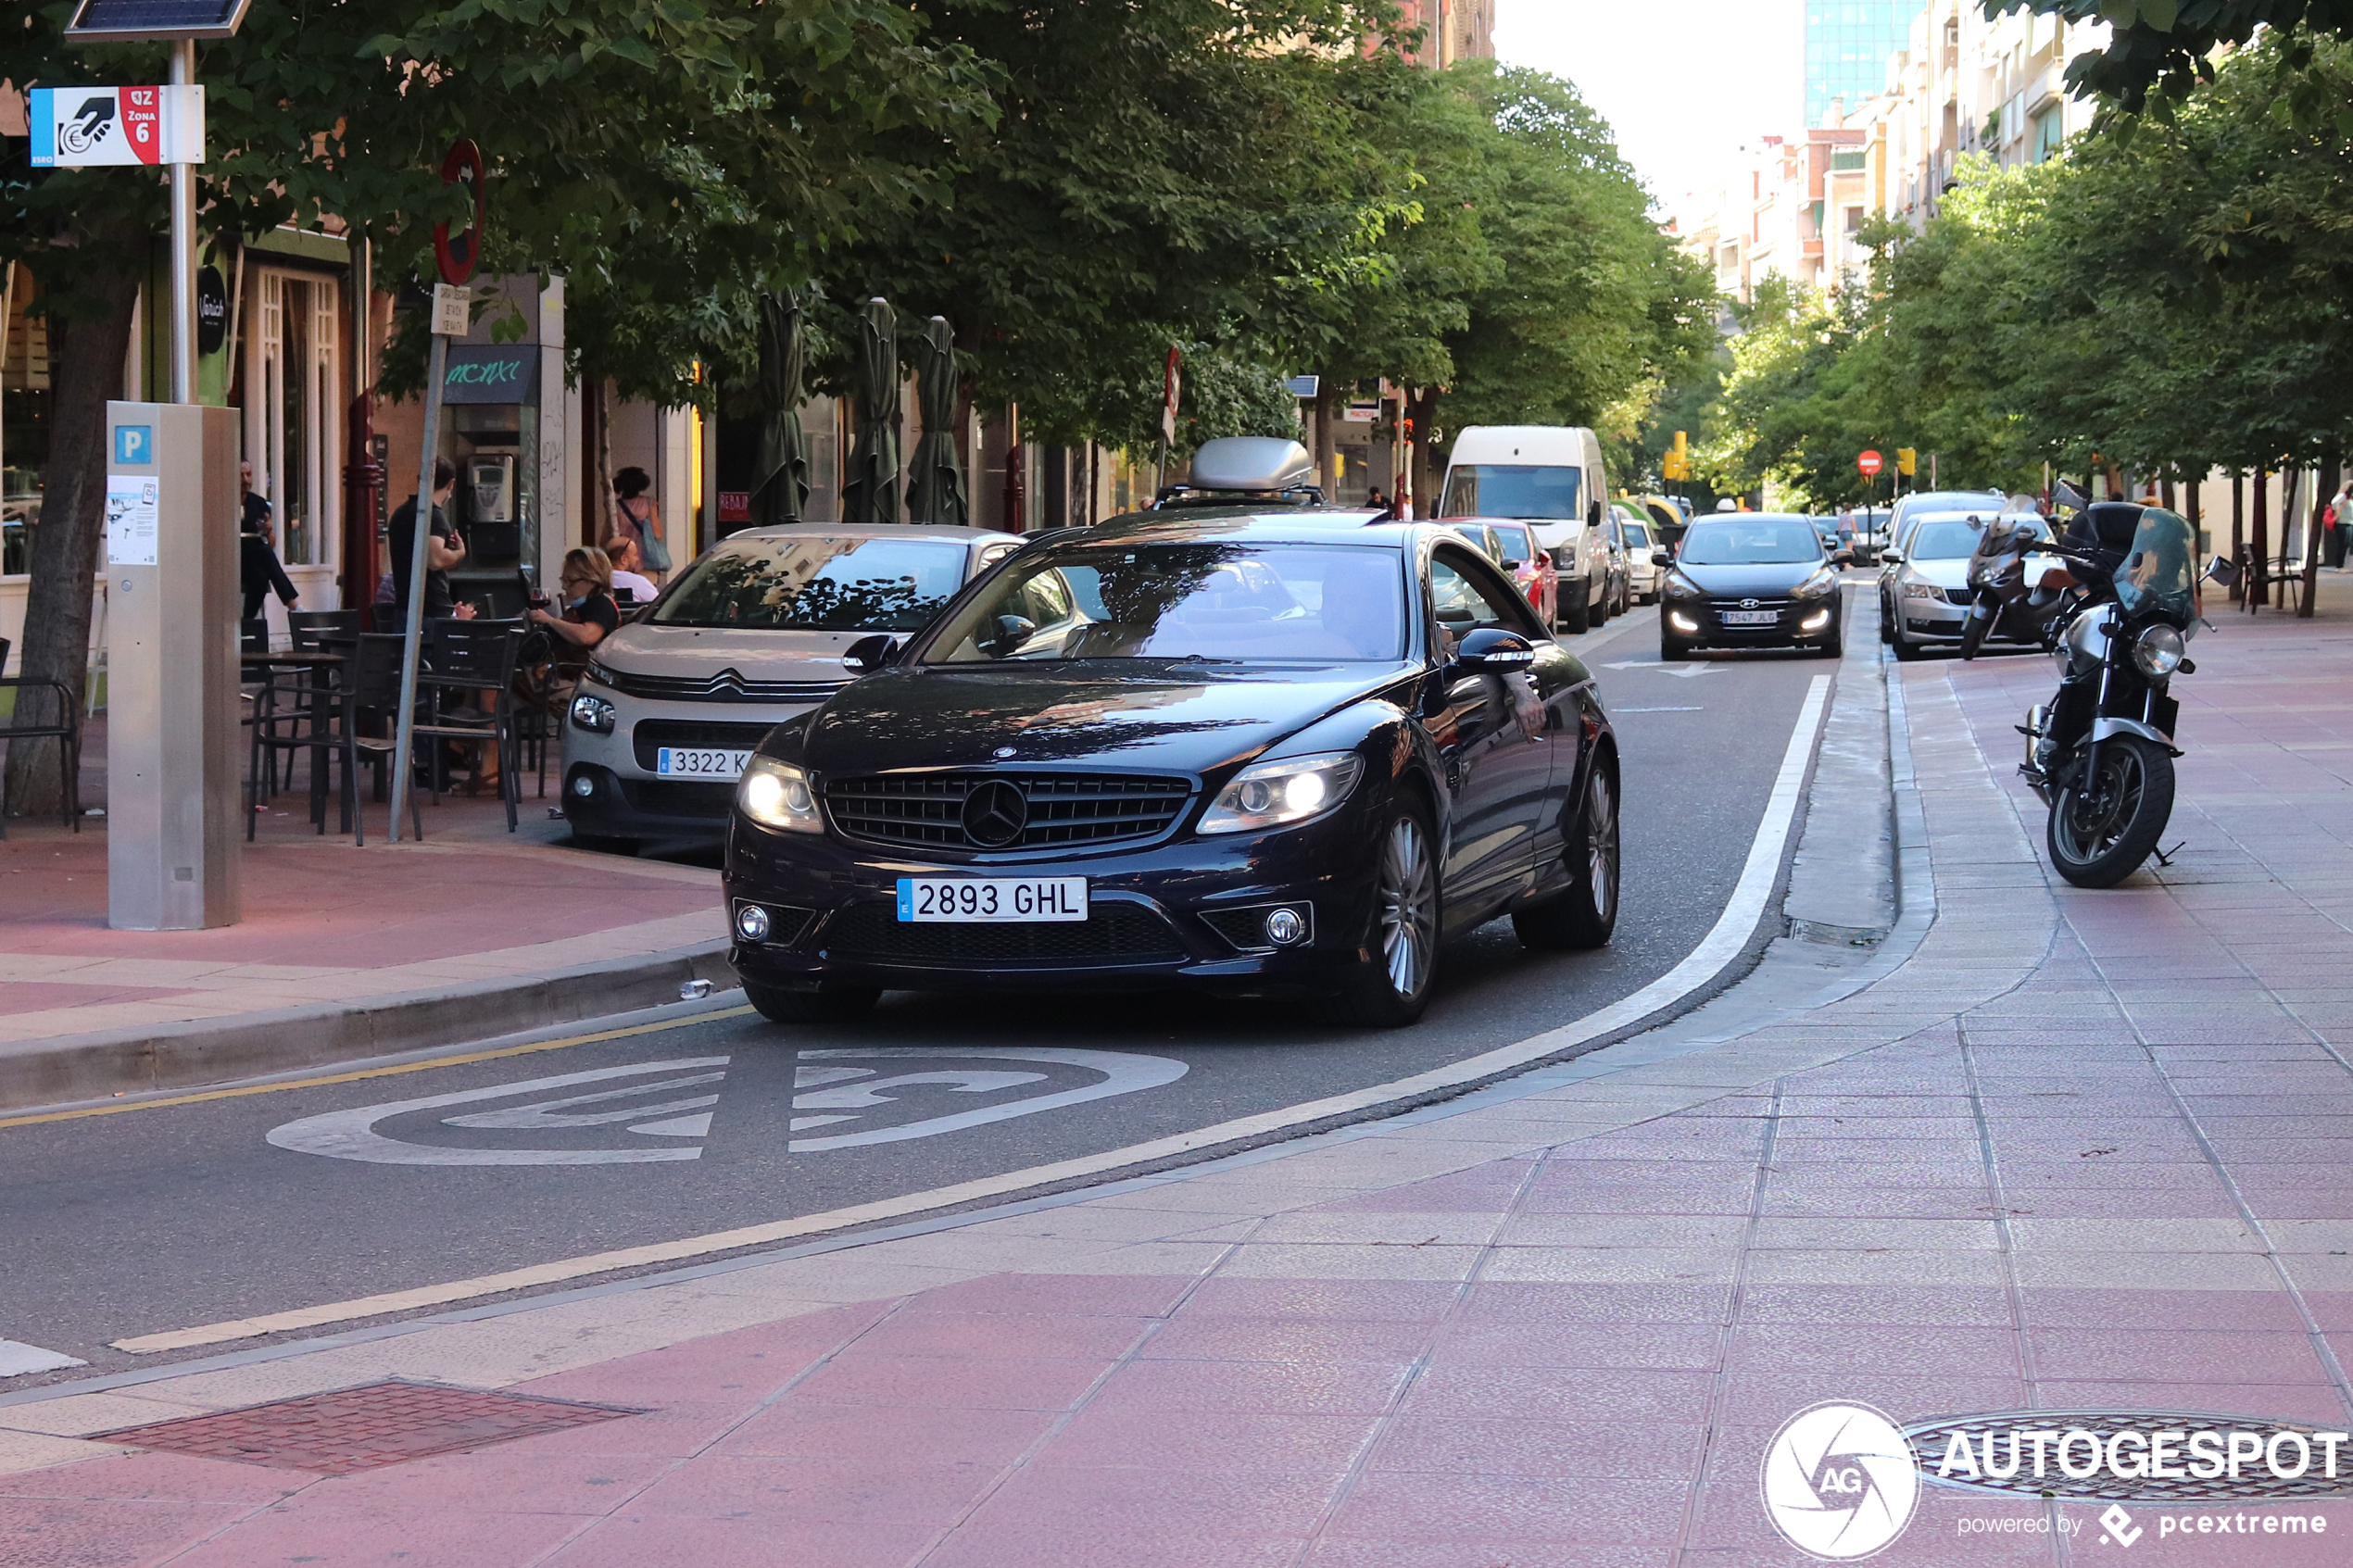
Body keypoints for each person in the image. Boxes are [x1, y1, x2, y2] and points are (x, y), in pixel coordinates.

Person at [387, 458, 474, 622]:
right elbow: (435, 560)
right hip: (431, 608)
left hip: (404, 606)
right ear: (451, 484)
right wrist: (459, 553)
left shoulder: (401, 513)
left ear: (419, 480)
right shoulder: (433, 516)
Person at [237, 460, 299, 622]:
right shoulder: (225, 503)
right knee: (264, 552)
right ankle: (292, 604)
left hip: (253, 560)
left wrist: (269, 530)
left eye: (248, 475)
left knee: (261, 576)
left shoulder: (259, 503)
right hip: (233, 558)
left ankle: (247, 623)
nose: (245, 480)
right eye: (241, 475)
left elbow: (272, 543)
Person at [612, 467, 666, 581]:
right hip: (645, 559)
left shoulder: (616, 506)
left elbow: (606, 537)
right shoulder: (649, 503)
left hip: (623, 559)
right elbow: (657, 534)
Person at [599, 532, 658, 604]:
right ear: (624, 559)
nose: (638, 558)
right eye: (635, 554)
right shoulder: (638, 582)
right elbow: (660, 605)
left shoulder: (596, 581)